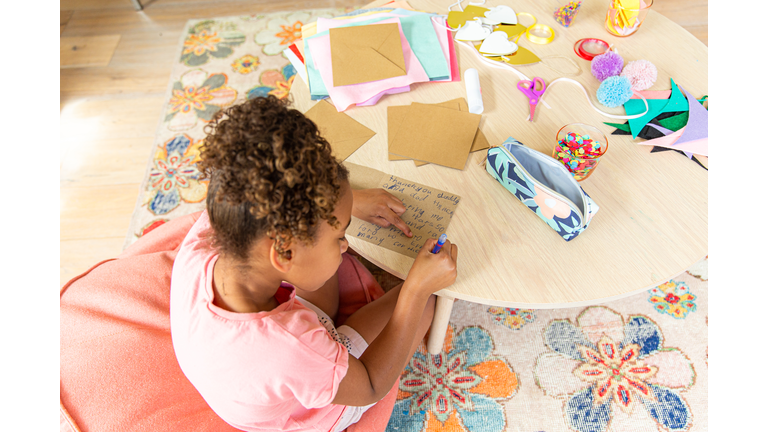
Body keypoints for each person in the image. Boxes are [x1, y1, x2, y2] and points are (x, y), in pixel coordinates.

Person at [169, 95, 459, 432]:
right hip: (307, 406)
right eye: (340, 236)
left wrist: (343, 203)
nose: (347, 244)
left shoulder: (215, 235)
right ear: (284, 254)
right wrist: (415, 290)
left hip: (243, 357)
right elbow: (369, 387)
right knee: (428, 303)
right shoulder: (291, 347)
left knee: (327, 272)